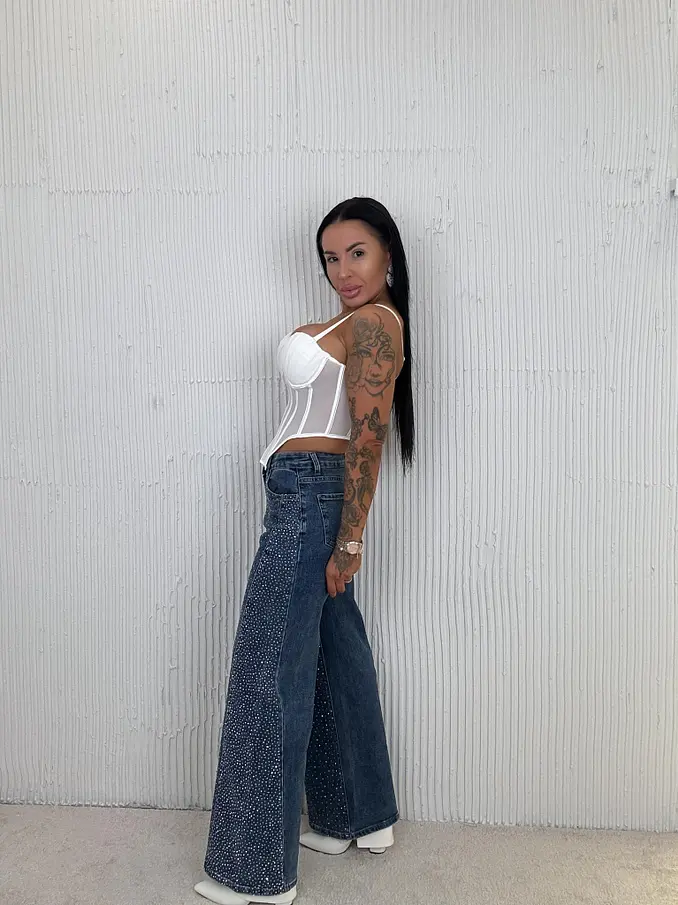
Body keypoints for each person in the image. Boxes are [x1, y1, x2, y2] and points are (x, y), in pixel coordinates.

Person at [193, 197, 415, 905]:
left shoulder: (376, 324)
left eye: (357, 253)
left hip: (311, 501)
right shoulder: (353, 323)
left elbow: (368, 435)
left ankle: (256, 871)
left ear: (387, 254)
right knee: (331, 657)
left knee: (267, 671)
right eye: (330, 257)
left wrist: (349, 538)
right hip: (303, 495)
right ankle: (358, 815)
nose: (343, 270)